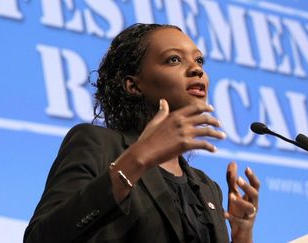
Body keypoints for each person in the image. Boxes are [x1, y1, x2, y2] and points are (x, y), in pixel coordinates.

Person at [24, 23, 260, 243]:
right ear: (133, 85)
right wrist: (138, 159)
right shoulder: (98, 145)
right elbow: (41, 238)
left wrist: (241, 235)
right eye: (174, 59)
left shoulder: (207, 187)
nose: (197, 69)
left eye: (199, 60)